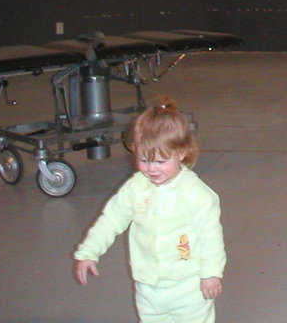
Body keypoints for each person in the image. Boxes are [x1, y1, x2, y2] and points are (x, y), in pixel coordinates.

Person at [73, 96, 226, 322]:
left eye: (161, 161)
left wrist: (211, 273)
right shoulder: (136, 188)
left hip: (190, 286)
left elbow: (211, 236)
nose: (152, 169)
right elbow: (111, 219)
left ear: (181, 153)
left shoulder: (197, 194)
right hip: (148, 286)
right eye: (144, 159)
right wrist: (89, 252)